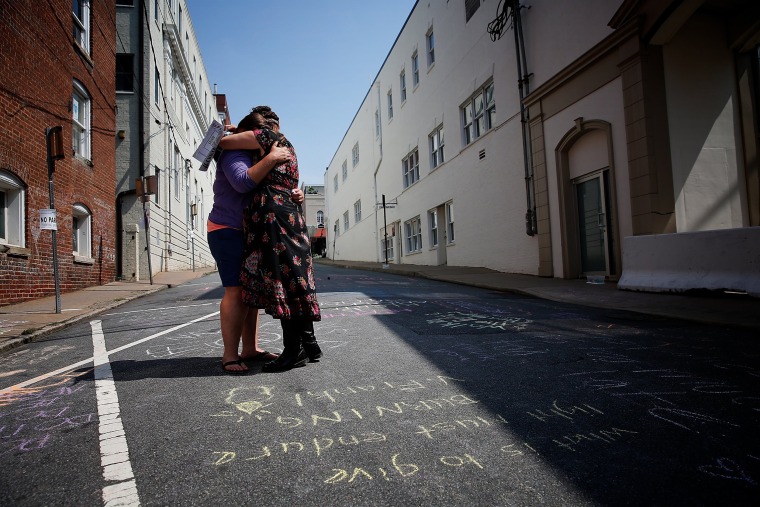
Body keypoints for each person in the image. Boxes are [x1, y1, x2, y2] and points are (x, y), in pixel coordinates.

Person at [221, 107, 322, 372]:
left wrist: (235, 132)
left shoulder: (265, 137)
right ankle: (308, 344)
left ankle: (293, 350)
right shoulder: (288, 145)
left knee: (284, 278)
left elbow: (219, 143)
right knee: (296, 278)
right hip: (288, 215)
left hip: (274, 219)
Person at [208, 125, 302, 374]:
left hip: (250, 230)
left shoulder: (253, 154)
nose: (271, 137)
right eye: (264, 131)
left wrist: (294, 194)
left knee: (250, 291)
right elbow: (241, 183)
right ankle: (230, 355)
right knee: (235, 291)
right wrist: (271, 158)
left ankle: (250, 349)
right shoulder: (234, 153)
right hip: (227, 228)